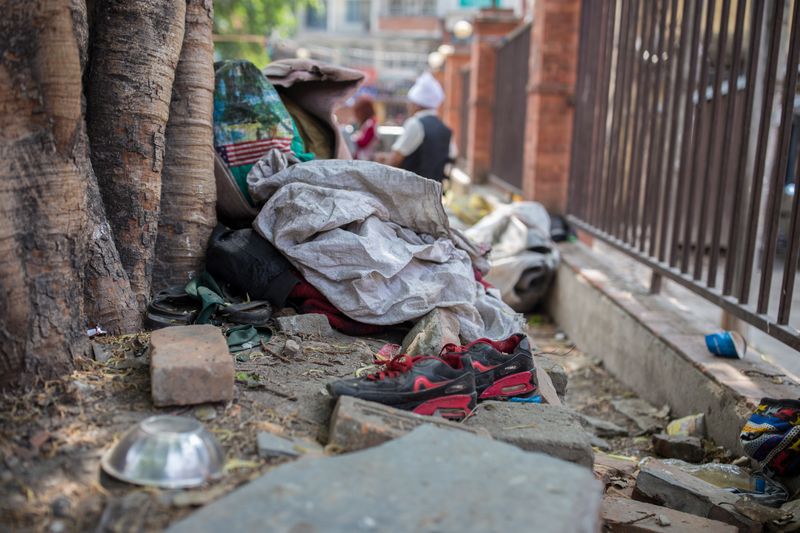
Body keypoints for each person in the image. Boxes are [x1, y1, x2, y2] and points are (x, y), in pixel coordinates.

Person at [378, 72, 456, 183]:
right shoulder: (445, 129)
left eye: (410, 102)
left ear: (417, 104)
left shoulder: (415, 123)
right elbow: (452, 157)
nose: (408, 106)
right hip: (435, 190)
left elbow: (395, 160)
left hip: (412, 189)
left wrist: (380, 161)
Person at [351, 96, 379, 160]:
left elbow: (363, 143)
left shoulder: (370, 123)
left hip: (365, 157)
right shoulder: (369, 123)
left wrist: (355, 138)